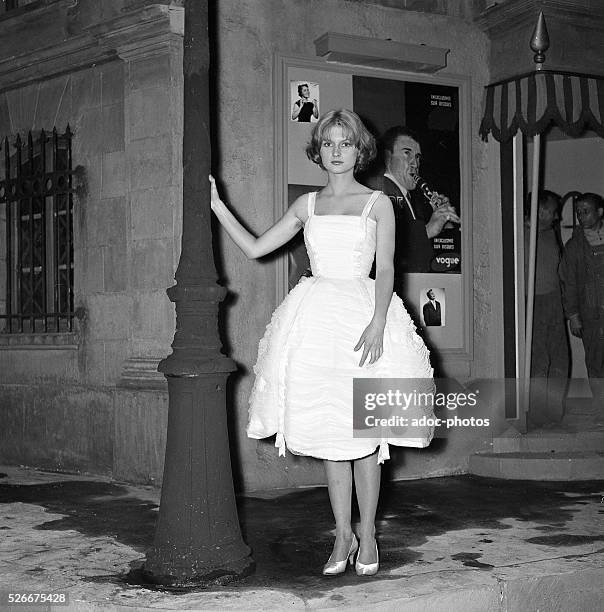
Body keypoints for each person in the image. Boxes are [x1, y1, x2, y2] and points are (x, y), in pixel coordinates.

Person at [209, 109, 434, 577]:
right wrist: (216, 205)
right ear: (318, 150)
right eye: (328, 144)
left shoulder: (378, 204)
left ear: (359, 150)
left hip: (363, 319)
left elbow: (387, 269)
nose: (336, 152)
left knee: (367, 436)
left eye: (345, 144)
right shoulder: (306, 205)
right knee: (335, 437)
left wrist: (377, 322)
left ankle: (368, 532)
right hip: (316, 324)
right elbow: (254, 248)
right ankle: (342, 533)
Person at [369, 126, 460, 293]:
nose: (415, 163)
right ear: (387, 156)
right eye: (407, 153)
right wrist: (428, 229)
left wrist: (445, 222)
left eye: (417, 157)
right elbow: (386, 245)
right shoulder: (380, 190)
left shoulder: (410, 199)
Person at [524, 190, 569, 427]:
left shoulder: (551, 233)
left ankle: (554, 412)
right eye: (552, 211)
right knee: (539, 362)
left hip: (553, 301)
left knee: (561, 359)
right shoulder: (521, 233)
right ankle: (537, 413)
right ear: (539, 210)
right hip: (533, 302)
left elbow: (559, 267)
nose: (556, 217)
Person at [559, 192, 604, 416]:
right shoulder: (575, 246)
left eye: (586, 211)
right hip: (591, 313)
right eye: (578, 212)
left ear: (599, 212)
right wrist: (573, 315)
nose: (581, 216)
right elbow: (569, 282)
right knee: (596, 361)